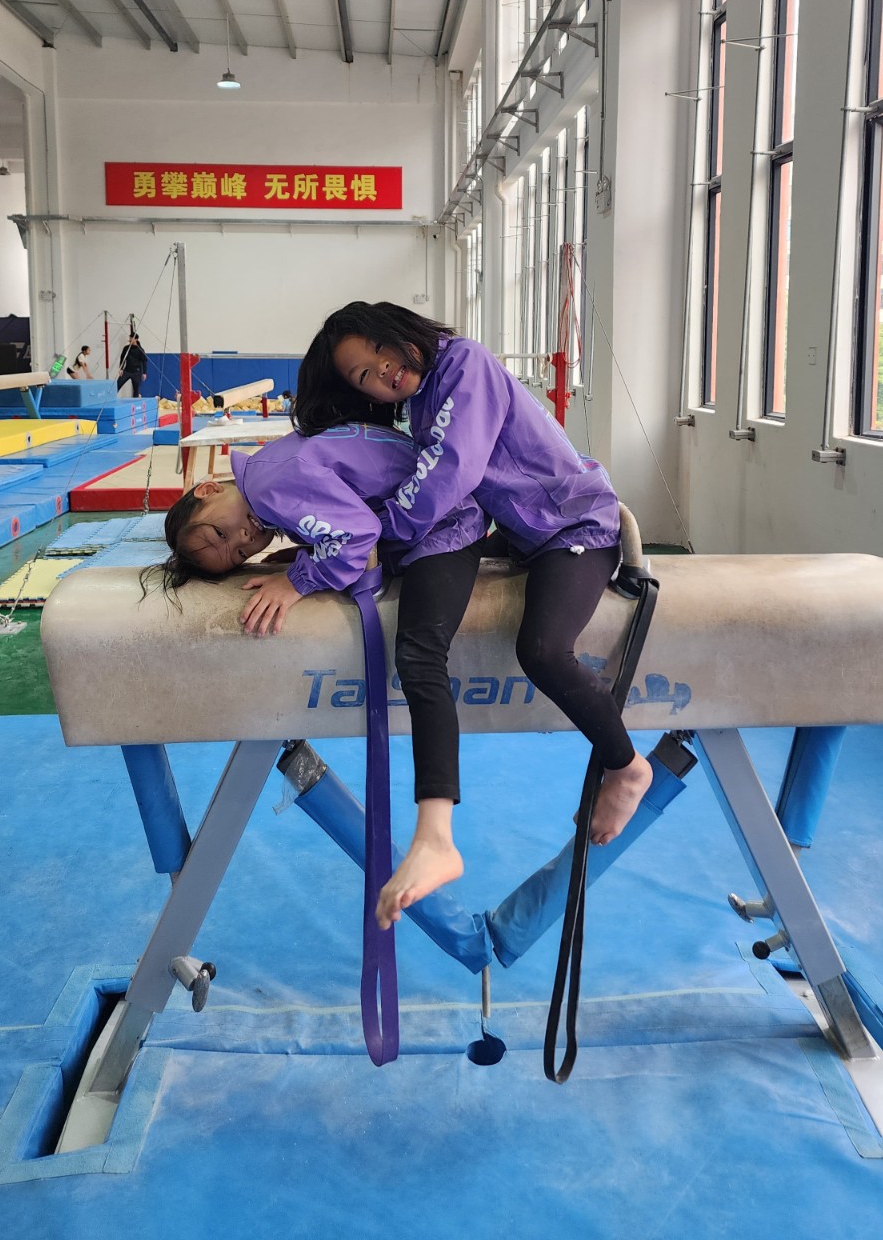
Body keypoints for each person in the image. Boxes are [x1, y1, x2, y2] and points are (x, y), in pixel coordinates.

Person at [296, 300, 654, 929]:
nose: (383, 373)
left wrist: (376, 536)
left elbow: (449, 475)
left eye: (379, 353)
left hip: (577, 528)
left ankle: (628, 767)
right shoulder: (421, 402)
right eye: (363, 377)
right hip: (527, 537)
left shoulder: (465, 364)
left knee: (543, 650)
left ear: (396, 330)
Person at [148, 420, 490, 927]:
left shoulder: (267, 484)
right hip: (434, 511)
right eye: (239, 554)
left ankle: (437, 834)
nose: (242, 540)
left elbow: (357, 538)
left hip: (448, 520)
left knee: (420, 657)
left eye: (221, 532)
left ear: (208, 488)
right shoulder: (267, 475)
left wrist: (297, 581)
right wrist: (307, 550)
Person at [117, 332, 147, 396]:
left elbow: (144, 361)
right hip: (127, 370)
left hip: (136, 372)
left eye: (131, 338)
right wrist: (121, 368)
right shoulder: (126, 348)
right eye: (130, 338)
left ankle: (135, 400)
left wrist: (144, 373)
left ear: (136, 339)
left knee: (136, 389)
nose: (130, 339)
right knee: (118, 384)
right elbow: (122, 358)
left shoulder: (140, 350)